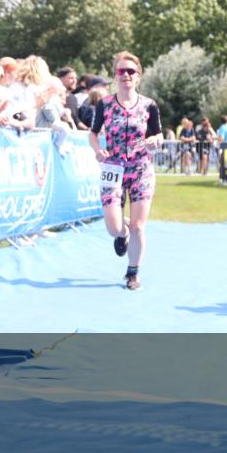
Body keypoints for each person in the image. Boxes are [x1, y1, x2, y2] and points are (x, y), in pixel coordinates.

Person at [89, 51, 162, 291]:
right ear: (115, 76)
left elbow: (158, 133)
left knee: (139, 226)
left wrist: (155, 140)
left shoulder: (150, 105)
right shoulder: (105, 105)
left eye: (131, 71)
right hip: (113, 167)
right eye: (121, 71)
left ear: (138, 77)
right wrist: (98, 149)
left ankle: (133, 273)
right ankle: (122, 232)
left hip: (141, 167)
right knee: (112, 227)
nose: (126, 75)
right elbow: (93, 134)